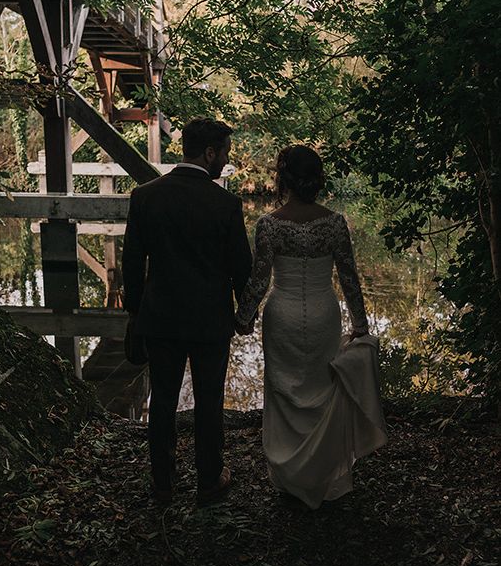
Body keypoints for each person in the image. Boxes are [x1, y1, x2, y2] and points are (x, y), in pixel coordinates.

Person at [235, 145, 387, 509]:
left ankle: (289, 477)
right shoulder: (334, 223)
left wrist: (242, 319)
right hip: (323, 312)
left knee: (284, 391)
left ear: (283, 179)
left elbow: (258, 281)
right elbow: (349, 278)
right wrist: (361, 325)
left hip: (282, 313)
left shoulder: (269, 225)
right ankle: (323, 474)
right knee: (322, 389)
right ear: (317, 180)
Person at [122, 118, 252, 505]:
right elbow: (241, 268)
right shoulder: (226, 204)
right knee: (209, 402)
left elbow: (132, 263)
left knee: (162, 400)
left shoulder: (145, 196)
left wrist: (135, 313)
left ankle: (163, 482)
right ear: (209, 152)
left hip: (160, 317)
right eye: (224, 152)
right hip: (211, 320)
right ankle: (209, 480)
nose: (225, 161)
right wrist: (244, 315)